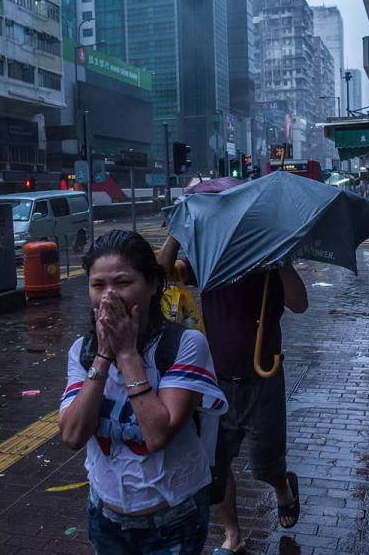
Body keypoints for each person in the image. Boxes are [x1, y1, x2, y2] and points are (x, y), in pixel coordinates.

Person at [58, 230, 228, 555]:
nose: (109, 296)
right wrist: (104, 356)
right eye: (98, 286)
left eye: (122, 283)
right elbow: (73, 435)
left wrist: (126, 354)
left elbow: (157, 435)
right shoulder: (82, 351)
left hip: (173, 522)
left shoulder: (186, 346)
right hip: (105, 518)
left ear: (152, 284)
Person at [158, 233, 308, 555]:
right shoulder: (210, 259)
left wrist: (279, 260)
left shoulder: (267, 257)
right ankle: (233, 535)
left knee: (266, 465)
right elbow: (161, 274)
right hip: (216, 382)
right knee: (216, 466)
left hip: (263, 380)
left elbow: (299, 303)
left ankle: (283, 489)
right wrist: (177, 234)